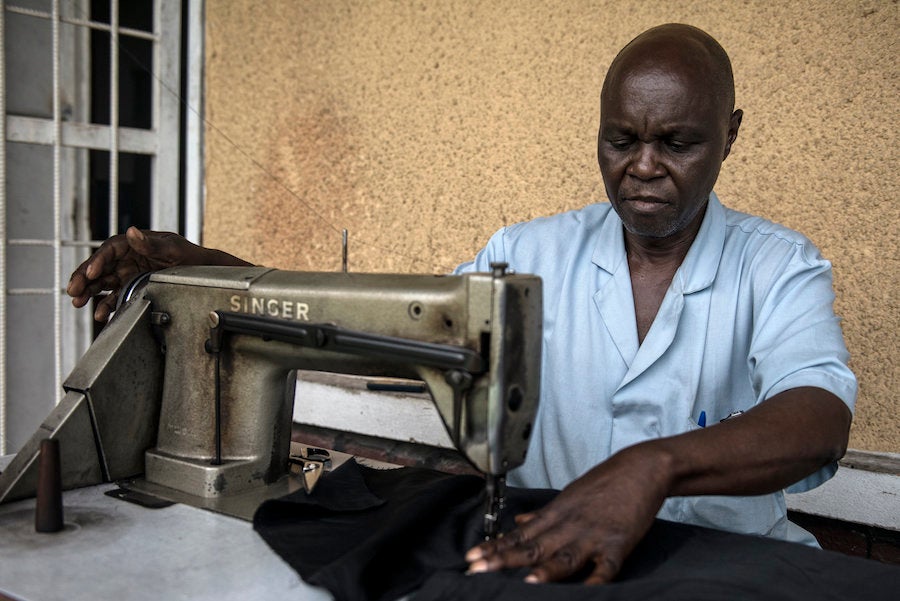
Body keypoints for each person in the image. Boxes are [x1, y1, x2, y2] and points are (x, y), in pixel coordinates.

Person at [67, 24, 855, 586]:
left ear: (732, 133)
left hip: (724, 569)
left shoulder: (776, 265)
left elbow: (819, 417)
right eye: (620, 140)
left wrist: (654, 466)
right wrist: (209, 269)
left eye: (677, 143)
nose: (642, 167)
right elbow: (386, 317)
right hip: (548, 558)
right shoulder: (531, 251)